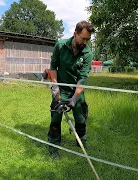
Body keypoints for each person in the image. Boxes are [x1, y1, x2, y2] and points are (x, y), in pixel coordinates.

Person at [47, 20, 95, 159]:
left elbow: (83, 78)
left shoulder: (87, 53)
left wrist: (75, 97)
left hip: (77, 90)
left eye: (88, 40)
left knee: (80, 118)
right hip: (60, 88)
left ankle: (81, 142)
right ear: (75, 33)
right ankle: (53, 145)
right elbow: (53, 67)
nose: (85, 42)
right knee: (56, 118)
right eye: (83, 38)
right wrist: (55, 86)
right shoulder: (61, 45)